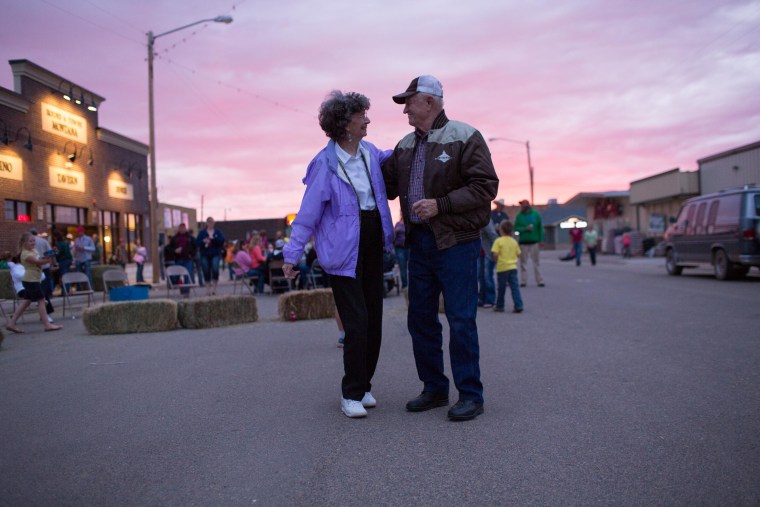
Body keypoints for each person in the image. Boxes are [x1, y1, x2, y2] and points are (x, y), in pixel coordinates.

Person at [382, 75, 498, 421]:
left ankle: (470, 395)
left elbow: (485, 186)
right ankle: (434, 388)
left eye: (410, 103)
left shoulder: (465, 136)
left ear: (429, 102)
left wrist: (441, 205)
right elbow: (382, 184)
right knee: (420, 319)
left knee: (461, 319)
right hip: (419, 244)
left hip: (457, 243)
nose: (405, 111)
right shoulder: (403, 145)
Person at [282, 90, 394, 419]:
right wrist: (292, 254)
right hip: (343, 254)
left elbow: (396, 159)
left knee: (374, 321)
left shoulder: (371, 153)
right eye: (362, 115)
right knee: (356, 323)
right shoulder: (325, 165)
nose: (368, 120)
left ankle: (365, 384)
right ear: (345, 123)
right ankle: (351, 393)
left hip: (373, 242)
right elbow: (307, 215)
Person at [5, 233, 62, 333]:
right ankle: (47, 324)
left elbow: (39, 259)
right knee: (41, 300)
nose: (33, 242)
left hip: (34, 279)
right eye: (30, 241)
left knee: (26, 302)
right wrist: (48, 259)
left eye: (33, 240)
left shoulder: (34, 250)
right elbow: (37, 262)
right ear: (24, 243)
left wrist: (48, 256)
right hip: (30, 280)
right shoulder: (25, 254)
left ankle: (11, 323)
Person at [491, 221, 523, 313]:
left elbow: (495, 253)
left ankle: (500, 305)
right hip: (513, 267)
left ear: (501, 230)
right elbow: (518, 253)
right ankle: (518, 305)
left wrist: (496, 260)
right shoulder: (514, 241)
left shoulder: (498, 241)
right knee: (514, 287)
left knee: (501, 288)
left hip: (502, 267)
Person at [514, 199, 545, 287]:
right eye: (521, 205)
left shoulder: (536, 214)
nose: (521, 206)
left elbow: (540, 228)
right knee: (523, 262)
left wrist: (541, 240)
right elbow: (516, 228)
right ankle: (524, 281)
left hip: (534, 242)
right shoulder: (519, 216)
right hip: (523, 242)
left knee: (536, 262)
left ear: (527, 205)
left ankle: (540, 280)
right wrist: (524, 229)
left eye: (523, 204)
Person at [196, 217, 225, 296]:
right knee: (206, 270)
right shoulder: (202, 233)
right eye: (209, 222)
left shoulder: (218, 232)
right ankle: (207, 289)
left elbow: (222, 241)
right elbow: (197, 243)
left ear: (214, 223)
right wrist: (204, 241)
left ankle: (214, 288)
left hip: (215, 253)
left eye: (212, 222)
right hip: (205, 254)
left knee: (215, 268)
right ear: (206, 223)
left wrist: (213, 239)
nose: (210, 224)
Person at [169, 223, 196, 297]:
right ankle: (181, 287)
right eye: (181, 228)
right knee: (175, 276)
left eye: (183, 228)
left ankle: (186, 292)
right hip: (178, 259)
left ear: (185, 228)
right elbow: (169, 248)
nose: (182, 229)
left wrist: (192, 254)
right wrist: (175, 251)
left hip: (187, 259)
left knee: (187, 275)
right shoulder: (174, 238)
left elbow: (195, 246)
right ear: (178, 229)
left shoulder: (190, 238)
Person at [478, 219, 498, 309]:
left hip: (488, 252)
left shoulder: (486, 219)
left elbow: (493, 235)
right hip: (479, 253)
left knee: (487, 276)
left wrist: (496, 251)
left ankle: (490, 300)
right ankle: (482, 298)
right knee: (480, 276)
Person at [30, 229, 53, 302]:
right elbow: (50, 252)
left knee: (36, 283)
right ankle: (47, 295)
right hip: (44, 265)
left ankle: (37, 297)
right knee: (46, 282)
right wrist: (48, 260)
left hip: (34, 266)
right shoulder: (43, 241)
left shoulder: (28, 242)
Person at [393, 215, 410, 289]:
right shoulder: (398, 224)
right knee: (402, 267)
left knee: (411, 267)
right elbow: (393, 236)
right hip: (400, 249)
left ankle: (412, 285)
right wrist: (396, 231)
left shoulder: (409, 223)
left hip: (409, 247)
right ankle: (405, 286)